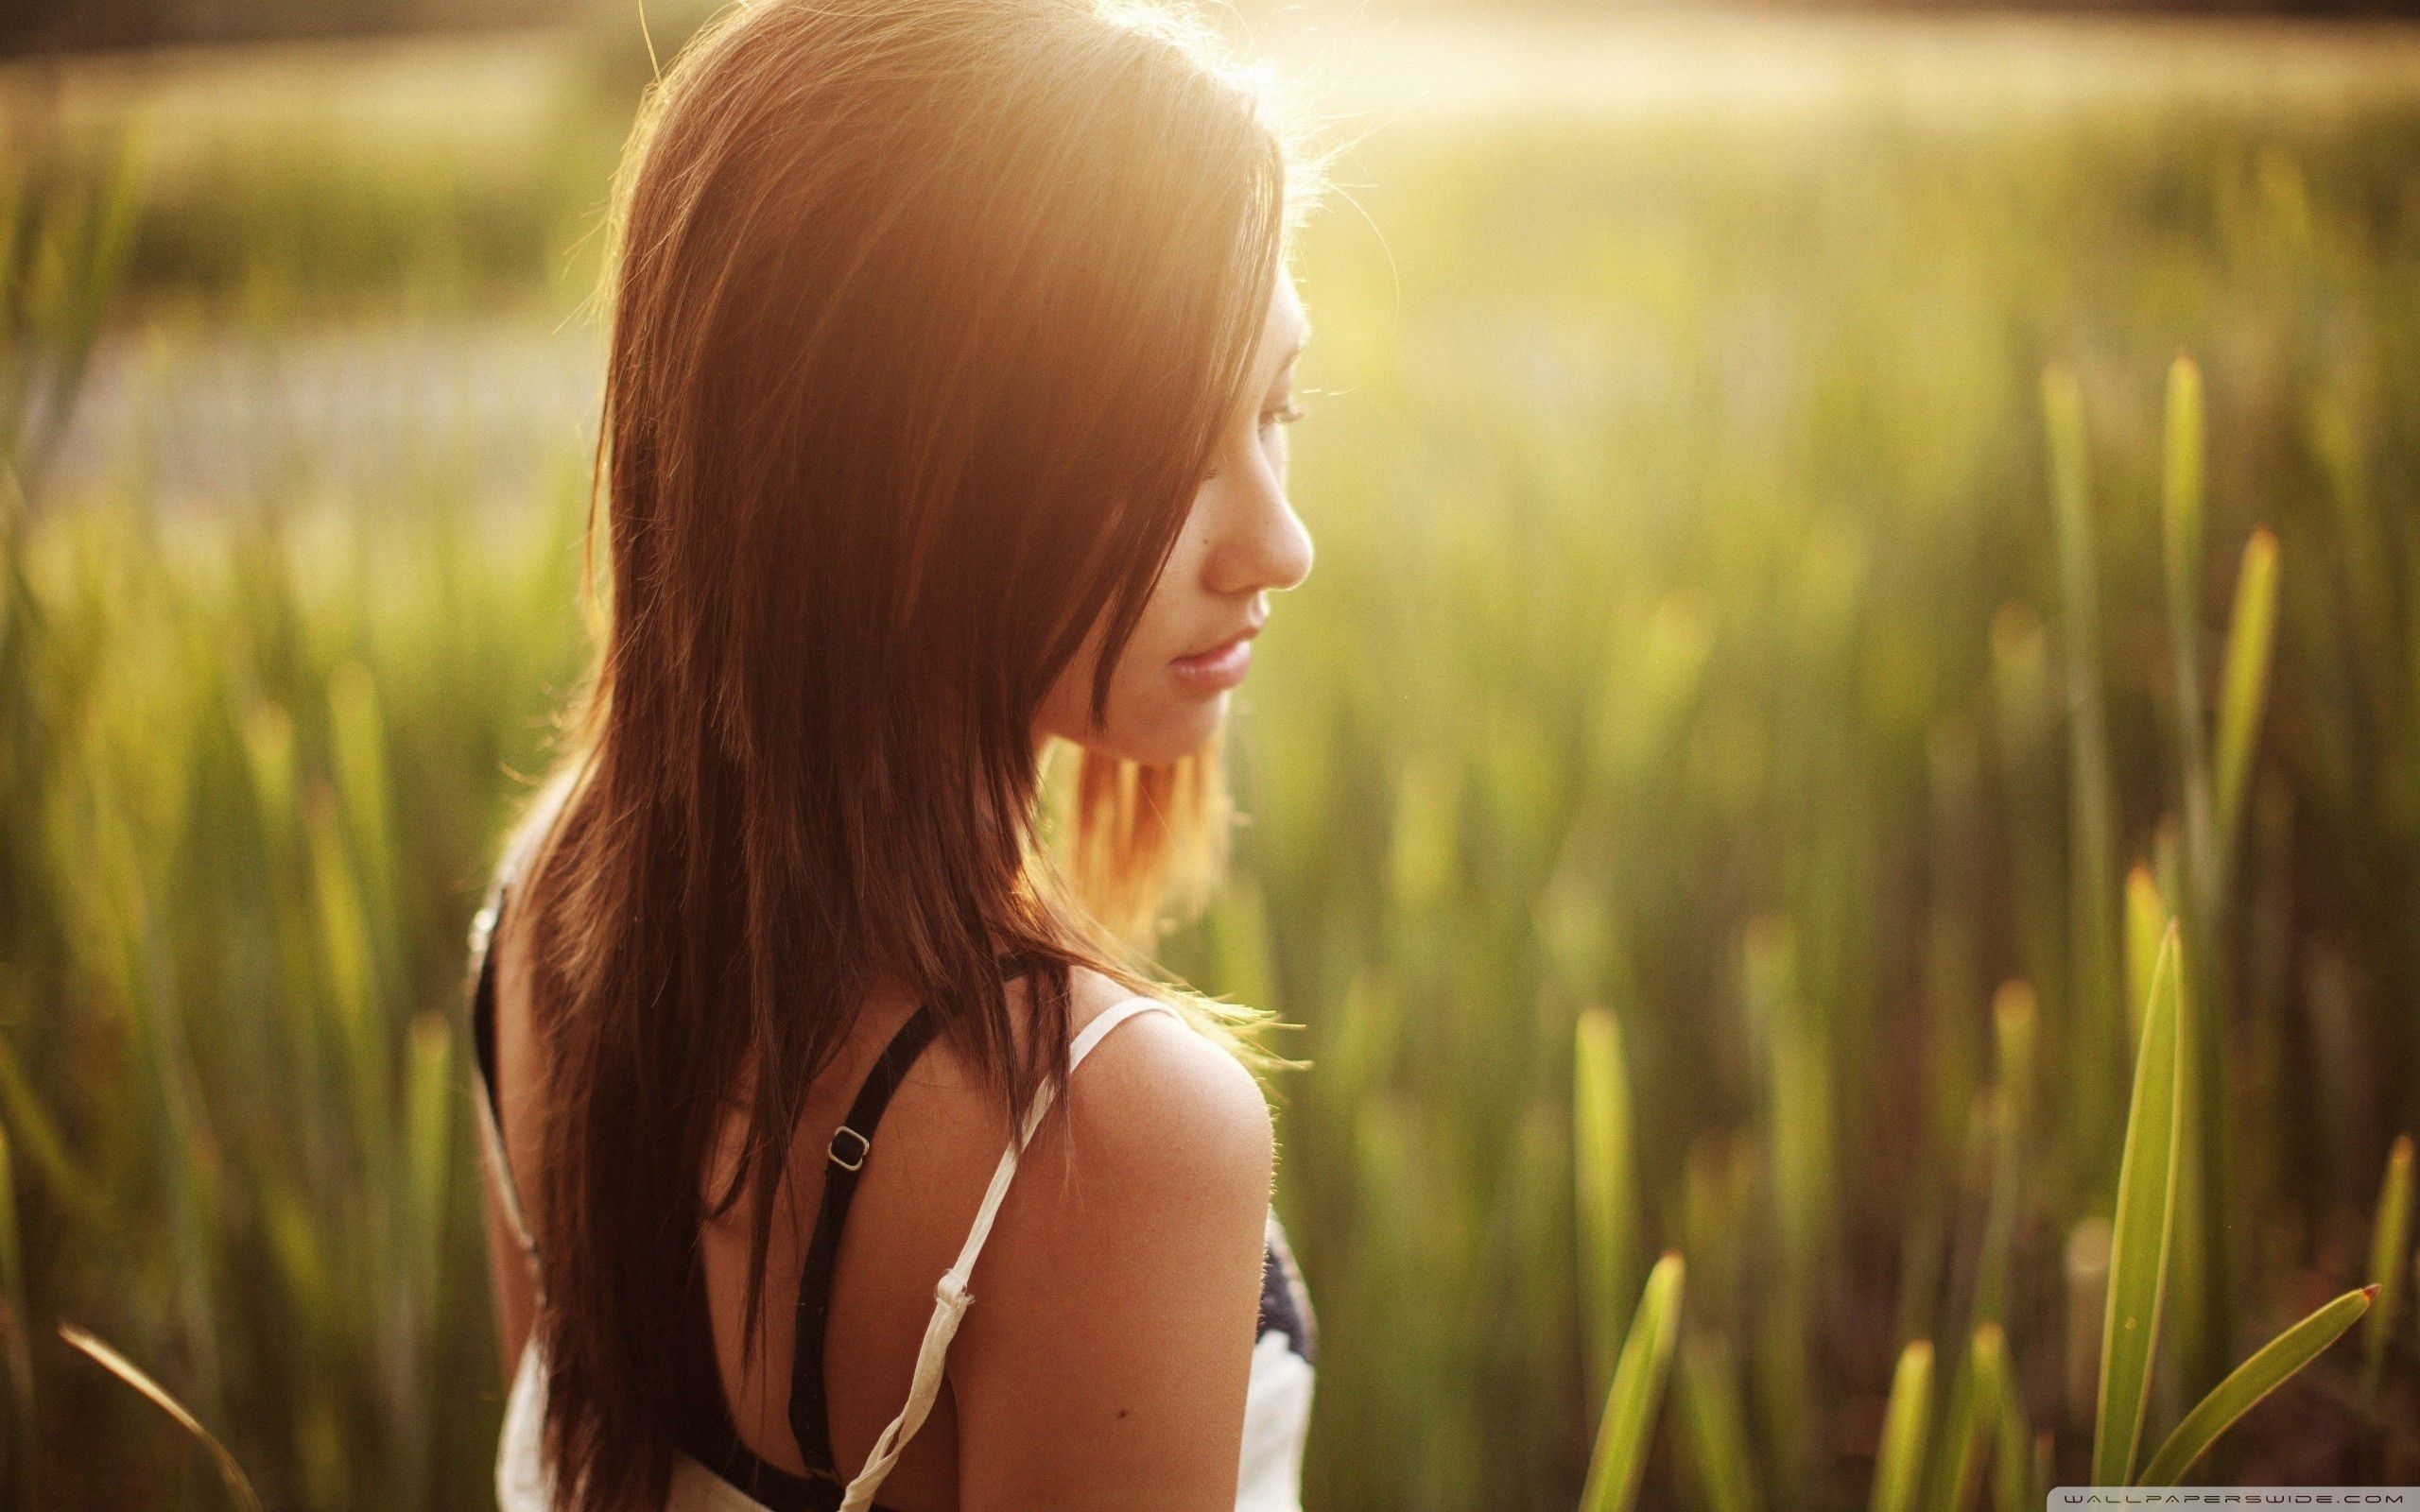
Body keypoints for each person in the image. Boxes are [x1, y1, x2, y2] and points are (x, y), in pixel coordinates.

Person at [461, 1, 1324, 1508]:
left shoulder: (551, 902)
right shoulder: (1104, 1143)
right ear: (890, 474)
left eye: (1277, 408)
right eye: (1166, 450)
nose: (1282, 543)